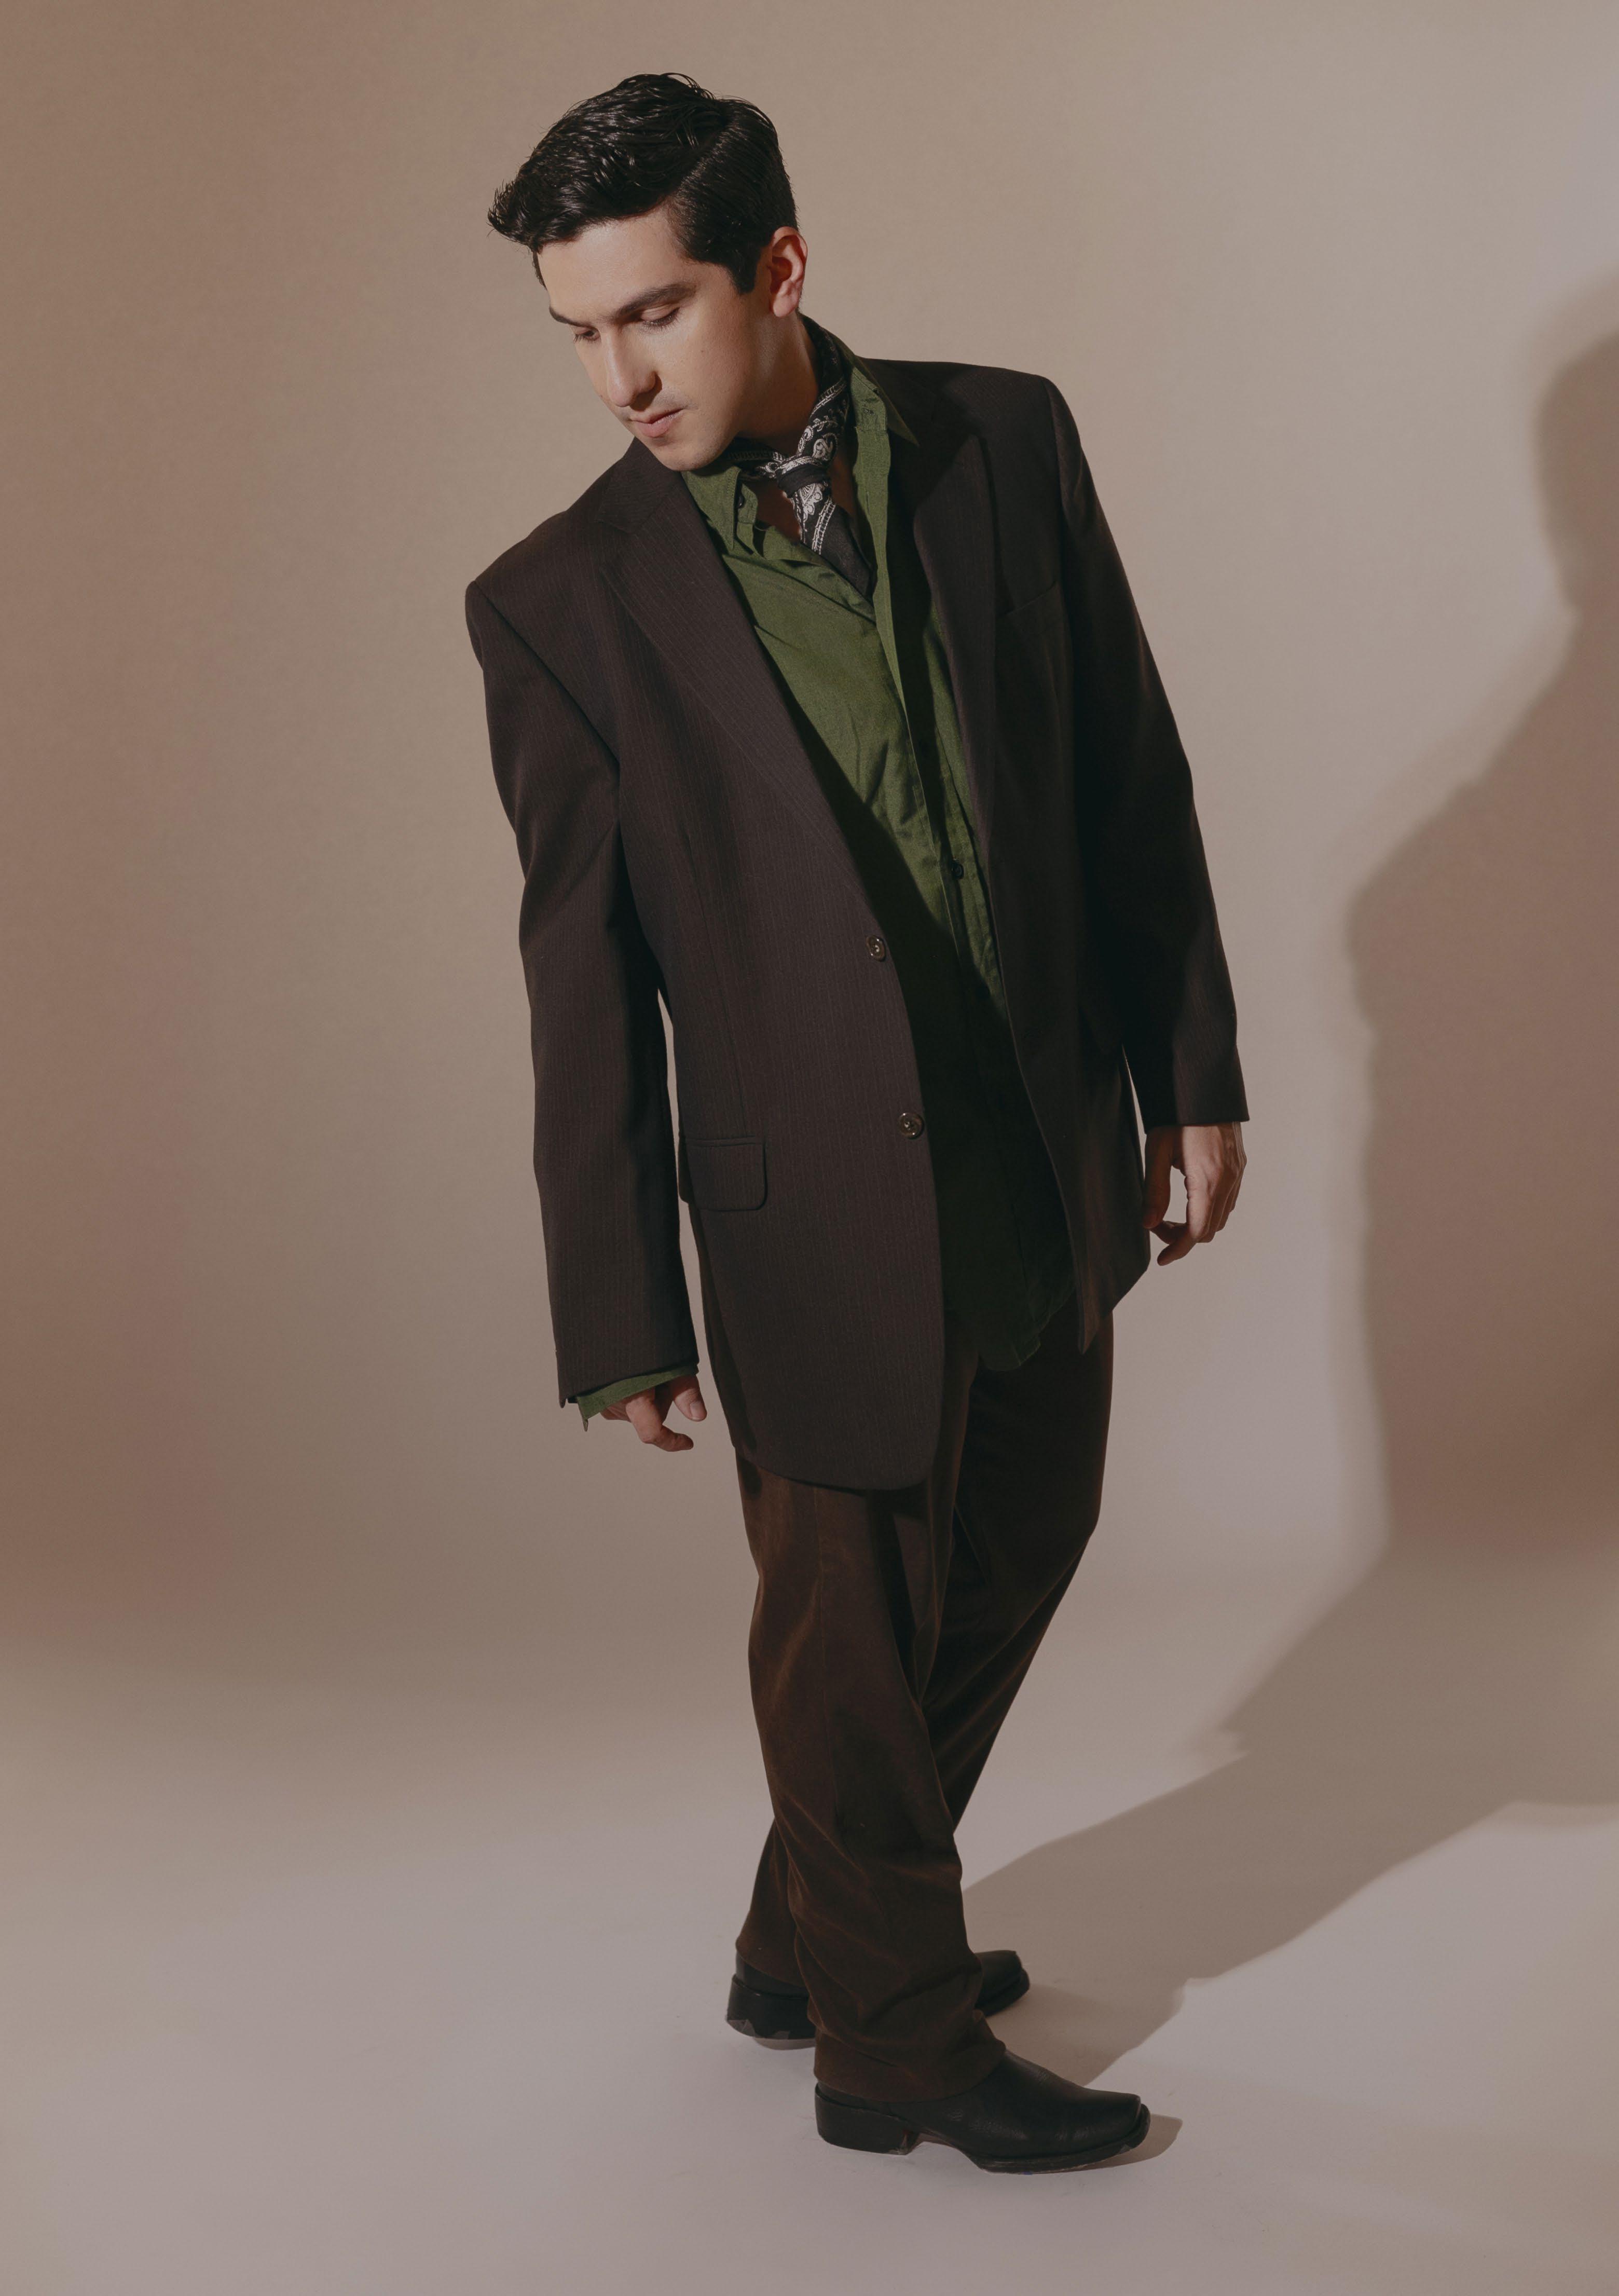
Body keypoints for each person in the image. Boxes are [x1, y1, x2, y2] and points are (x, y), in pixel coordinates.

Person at [465, 72, 1247, 2173]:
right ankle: (891, 2047)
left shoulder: (1009, 442)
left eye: (656, 313)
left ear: (780, 268)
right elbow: (578, 982)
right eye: (579, 333)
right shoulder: (557, 604)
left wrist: (1190, 1065)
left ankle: (808, 1934)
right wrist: (621, 1309)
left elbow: (1129, 770)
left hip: (1036, 1140)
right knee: (847, 1632)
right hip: (805, 1205)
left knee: (1030, 1533)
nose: (620, 377)